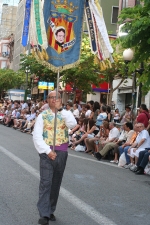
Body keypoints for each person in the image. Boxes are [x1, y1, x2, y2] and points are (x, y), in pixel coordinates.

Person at [33, 90, 77, 225]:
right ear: (47, 100)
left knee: (55, 182)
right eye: (51, 97)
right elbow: (37, 136)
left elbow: (73, 125)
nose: (54, 100)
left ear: (61, 100)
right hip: (47, 153)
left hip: (62, 152)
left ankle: (51, 209)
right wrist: (47, 151)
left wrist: (61, 110)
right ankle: (44, 214)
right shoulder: (43, 116)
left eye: (56, 97)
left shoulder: (66, 114)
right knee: (46, 182)